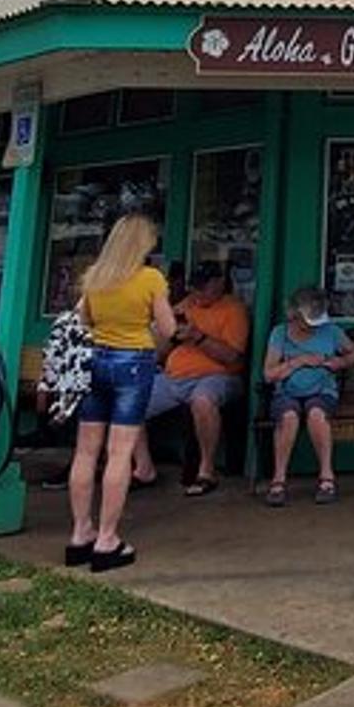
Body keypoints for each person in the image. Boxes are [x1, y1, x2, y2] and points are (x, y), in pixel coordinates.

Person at [66, 214, 173, 573]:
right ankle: (108, 539)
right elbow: (168, 327)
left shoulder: (95, 277)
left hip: (95, 360)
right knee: (120, 452)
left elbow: (80, 321)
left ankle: (80, 532)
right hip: (133, 362)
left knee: (85, 451)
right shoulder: (150, 278)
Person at [142, 261, 249, 496]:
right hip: (174, 376)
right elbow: (159, 353)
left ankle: (206, 470)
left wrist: (198, 337)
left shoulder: (233, 309)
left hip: (216, 376)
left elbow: (231, 357)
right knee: (131, 401)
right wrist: (168, 331)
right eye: (195, 288)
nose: (198, 293)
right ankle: (142, 467)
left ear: (219, 283)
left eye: (204, 288)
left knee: (202, 401)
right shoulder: (186, 305)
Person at [263, 286, 354, 506]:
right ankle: (278, 480)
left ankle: (327, 477)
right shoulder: (280, 333)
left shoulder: (332, 331)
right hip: (287, 391)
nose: (313, 326)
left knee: (317, 415)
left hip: (322, 390)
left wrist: (340, 362)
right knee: (288, 417)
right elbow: (269, 374)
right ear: (295, 316)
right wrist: (298, 361)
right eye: (309, 322)